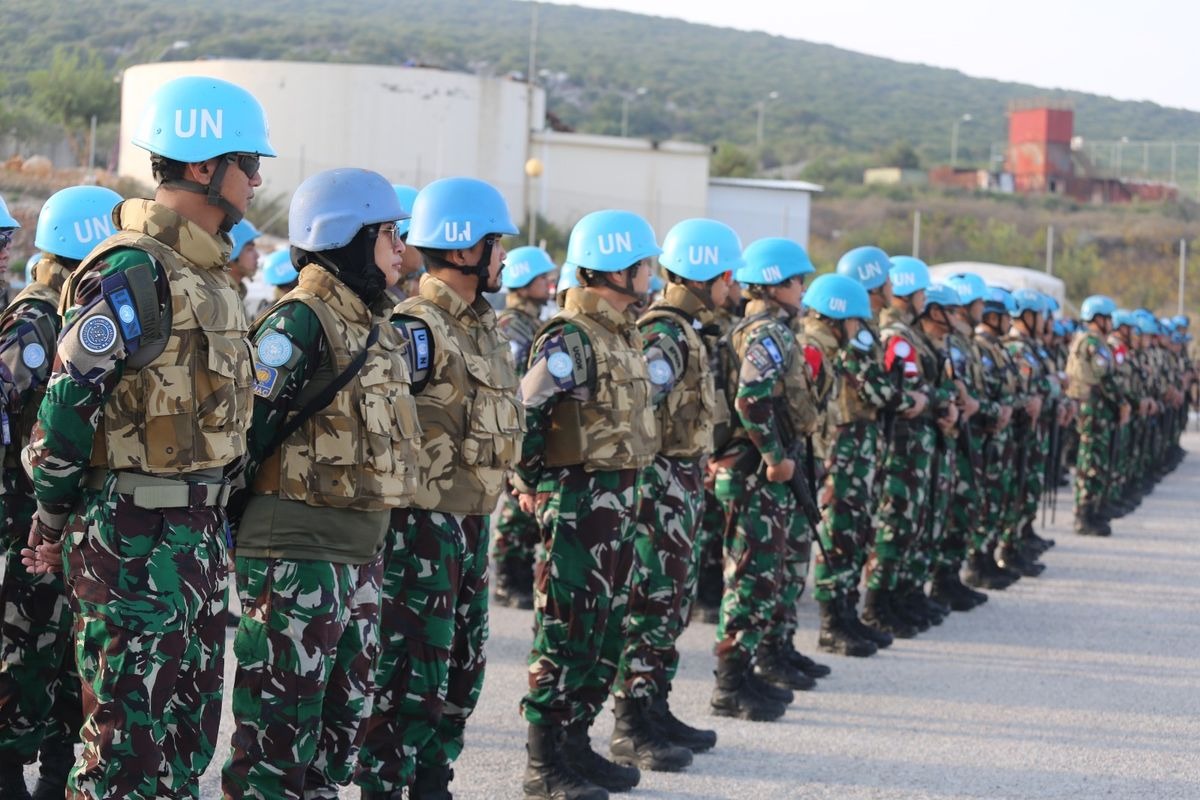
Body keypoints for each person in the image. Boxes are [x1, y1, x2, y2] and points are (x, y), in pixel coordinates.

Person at [20, 75, 274, 800]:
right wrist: (52, 514)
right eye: (248, 164)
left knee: (183, 751)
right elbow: (66, 406)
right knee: (122, 756)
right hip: (131, 542)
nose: (256, 181)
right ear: (203, 166)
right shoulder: (133, 269)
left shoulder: (210, 276)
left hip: (196, 538)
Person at [220, 168, 420, 799]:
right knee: (278, 737)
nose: (401, 248)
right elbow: (246, 436)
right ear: (346, 236)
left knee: (337, 739)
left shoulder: (375, 326)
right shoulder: (298, 323)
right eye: (389, 233)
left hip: (359, 556)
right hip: (295, 554)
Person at [357, 177, 524, 800]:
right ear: (462, 248)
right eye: (496, 243)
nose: (503, 256)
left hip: (470, 522)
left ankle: (433, 780)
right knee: (407, 679)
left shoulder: (482, 327)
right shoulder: (417, 329)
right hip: (419, 530)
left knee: (459, 671)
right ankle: (384, 786)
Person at [515, 209, 659, 800]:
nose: (650, 272)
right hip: (579, 501)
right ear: (616, 268)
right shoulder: (570, 337)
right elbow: (528, 411)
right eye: (643, 263)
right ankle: (543, 760)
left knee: (604, 629)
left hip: (617, 503)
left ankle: (575, 741)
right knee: (566, 626)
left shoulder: (622, 333)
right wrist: (530, 481)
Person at [0, 185, 121, 799]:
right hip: (28, 516)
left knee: (68, 654)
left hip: (63, 514)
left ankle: (53, 771)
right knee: (29, 650)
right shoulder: (39, 317)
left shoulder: (76, 307)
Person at [611, 218, 740, 768]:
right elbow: (640, 410)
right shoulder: (665, 333)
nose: (734, 287)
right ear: (707, 275)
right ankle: (631, 723)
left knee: (672, 602)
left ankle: (655, 707)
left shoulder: (687, 330)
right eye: (728, 277)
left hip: (679, 485)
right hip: (659, 488)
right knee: (651, 601)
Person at [708, 234, 822, 723]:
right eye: (797, 281)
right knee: (750, 576)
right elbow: (750, 400)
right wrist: (774, 456)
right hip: (755, 472)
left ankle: (749, 669)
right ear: (773, 284)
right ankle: (731, 684)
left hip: (760, 470)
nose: (803, 289)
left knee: (764, 573)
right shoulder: (765, 334)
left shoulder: (769, 329)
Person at [797, 270, 891, 655]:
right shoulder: (813, 350)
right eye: (853, 320)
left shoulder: (831, 349)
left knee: (854, 530)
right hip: (840, 448)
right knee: (838, 532)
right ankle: (831, 622)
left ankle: (846, 613)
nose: (857, 328)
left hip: (849, 446)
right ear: (837, 318)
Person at [866, 256, 956, 635]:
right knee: (896, 523)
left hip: (917, 443)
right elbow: (906, 391)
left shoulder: (910, 335)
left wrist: (942, 400)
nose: (924, 299)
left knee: (912, 523)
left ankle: (901, 595)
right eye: (921, 293)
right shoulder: (897, 337)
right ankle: (878, 603)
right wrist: (939, 400)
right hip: (902, 445)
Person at [491, 245, 558, 610]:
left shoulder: (530, 324)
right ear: (525, 280)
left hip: (524, 425)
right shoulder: (512, 326)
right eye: (543, 278)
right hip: (515, 426)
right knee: (516, 508)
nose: (549, 284)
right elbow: (516, 382)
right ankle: (507, 576)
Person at [1066, 295, 1128, 537]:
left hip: (1096, 410)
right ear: (1098, 318)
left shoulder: (1091, 341)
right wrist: (1121, 403)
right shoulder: (1093, 342)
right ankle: (1084, 514)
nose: (1111, 323)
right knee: (1090, 461)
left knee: (1096, 461)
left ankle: (1092, 509)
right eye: (1108, 318)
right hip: (1093, 410)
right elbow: (1105, 377)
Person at [227, 218, 261, 313]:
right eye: (249, 249)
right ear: (232, 252)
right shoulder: (222, 295)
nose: (257, 255)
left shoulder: (235, 293)